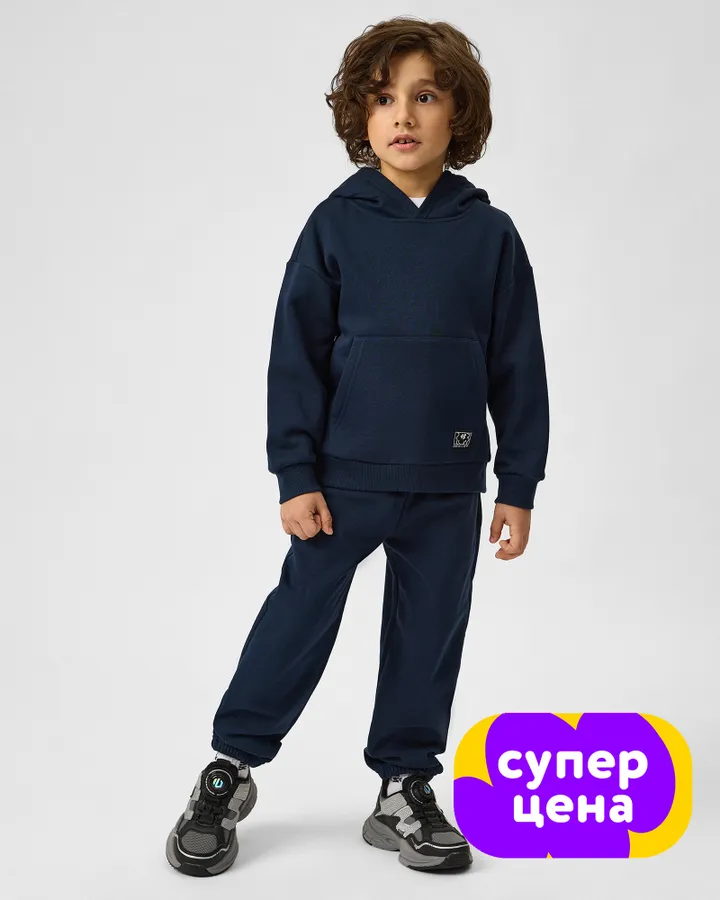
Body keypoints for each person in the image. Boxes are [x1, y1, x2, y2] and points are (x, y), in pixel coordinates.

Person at [166, 15, 549, 877]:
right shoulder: (335, 225)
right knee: (298, 618)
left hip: (449, 484)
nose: (402, 115)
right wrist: (295, 472)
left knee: (430, 631)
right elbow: (294, 359)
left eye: (425, 96)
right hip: (343, 483)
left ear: (459, 113)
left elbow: (519, 365)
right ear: (361, 118)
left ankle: (404, 786)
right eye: (382, 100)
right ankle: (230, 770)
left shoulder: (490, 235)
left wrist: (518, 483)